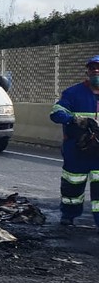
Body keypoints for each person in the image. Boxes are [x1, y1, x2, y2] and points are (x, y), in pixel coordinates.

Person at [49, 55, 99, 228]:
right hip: (77, 149)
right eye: (92, 68)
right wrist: (74, 119)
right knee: (72, 186)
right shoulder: (73, 93)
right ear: (87, 71)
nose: (96, 71)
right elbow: (56, 113)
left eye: (98, 68)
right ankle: (68, 215)